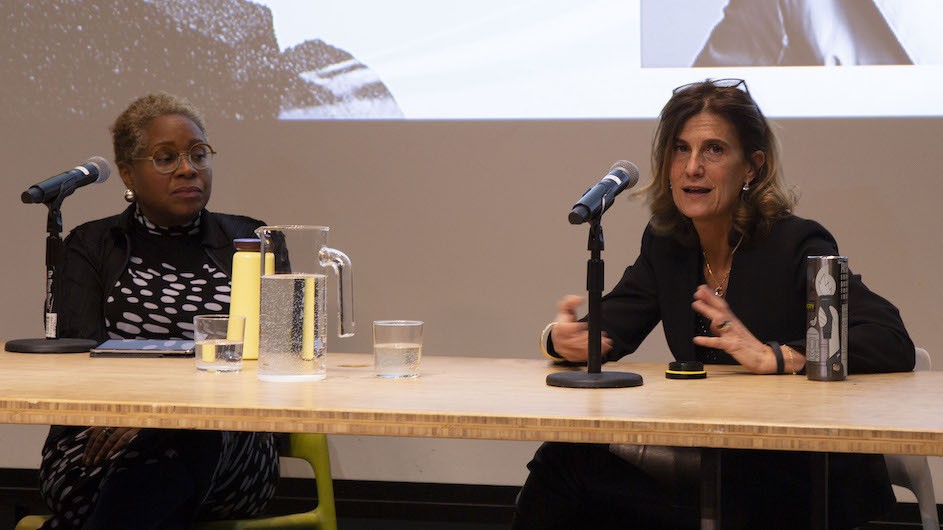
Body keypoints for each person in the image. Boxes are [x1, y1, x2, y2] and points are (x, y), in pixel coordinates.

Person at [512, 78, 915, 529]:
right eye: (680, 150)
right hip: (714, 467)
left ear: (752, 167)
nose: (692, 168)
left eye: (714, 150)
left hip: (799, 478)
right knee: (564, 463)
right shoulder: (669, 244)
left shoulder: (794, 243)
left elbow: (889, 338)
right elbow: (612, 328)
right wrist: (564, 339)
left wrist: (780, 356)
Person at [38, 92, 280, 530]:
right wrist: (135, 416)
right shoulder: (91, 245)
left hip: (227, 440)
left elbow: (275, 356)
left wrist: (165, 418)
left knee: (176, 441)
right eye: (166, 157)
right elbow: (75, 362)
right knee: (154, 464)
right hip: (100, 434)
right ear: (128, 172)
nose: (188, 168)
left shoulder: (250, 240)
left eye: (198, 154)